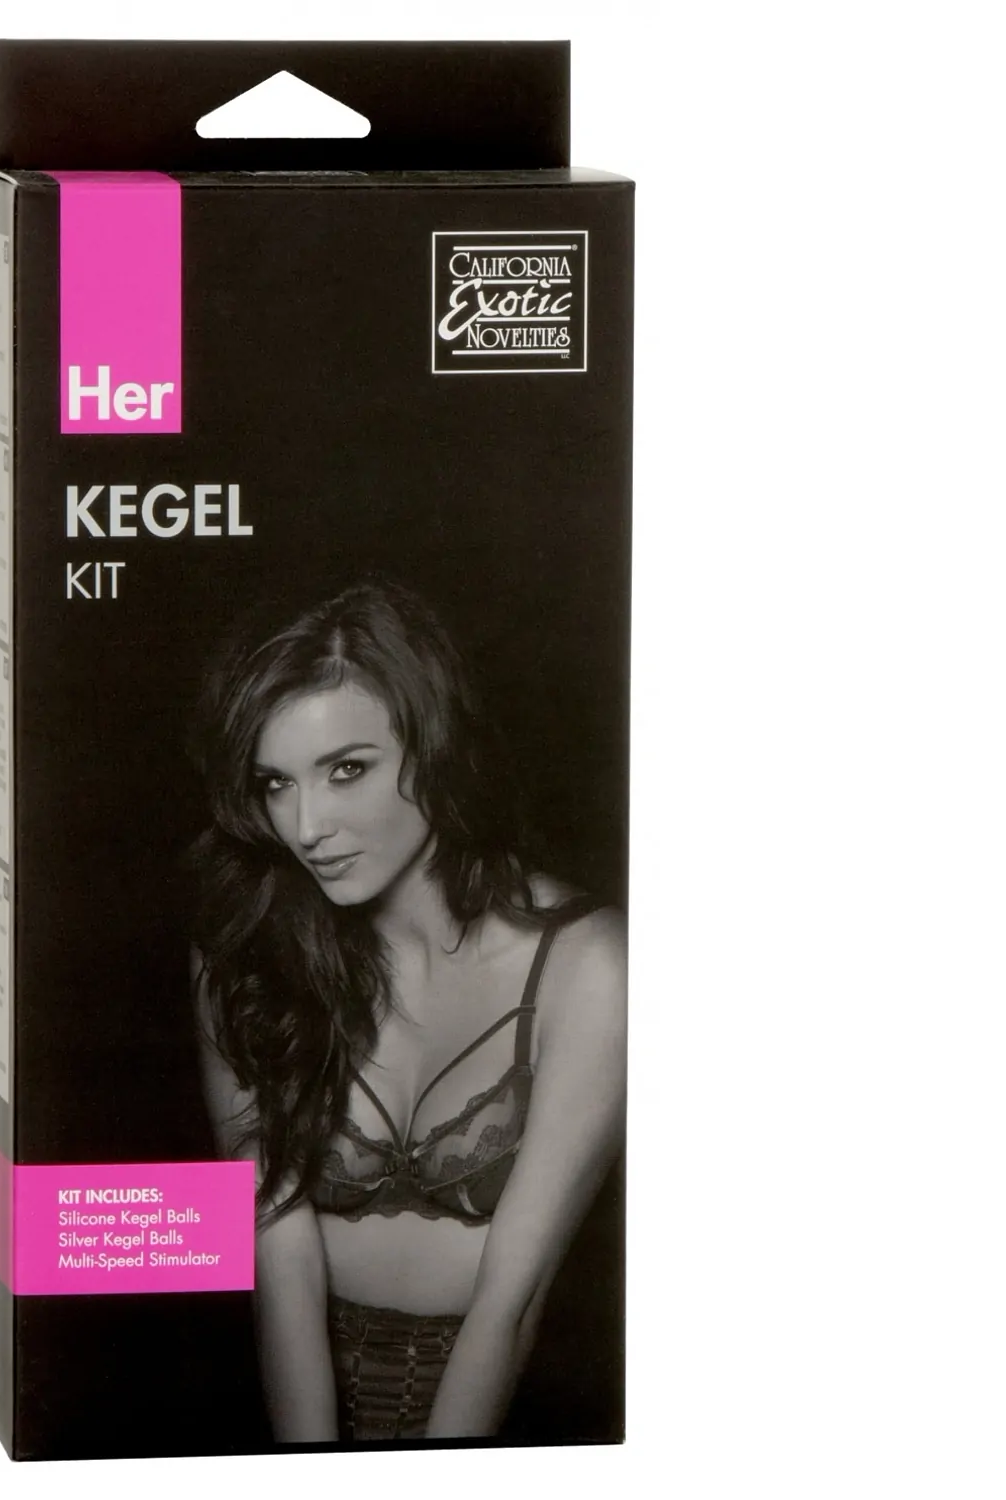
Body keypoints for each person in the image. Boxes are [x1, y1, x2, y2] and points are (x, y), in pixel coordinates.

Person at [188, 580, 626, 1442]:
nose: (306, 826)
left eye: (346, 770)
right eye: (276, 783)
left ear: (432, 749)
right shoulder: (244, 951)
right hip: (294, 1403)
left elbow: (515, 1299)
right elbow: (278, 1256)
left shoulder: (587, 967)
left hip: (492, 1409)